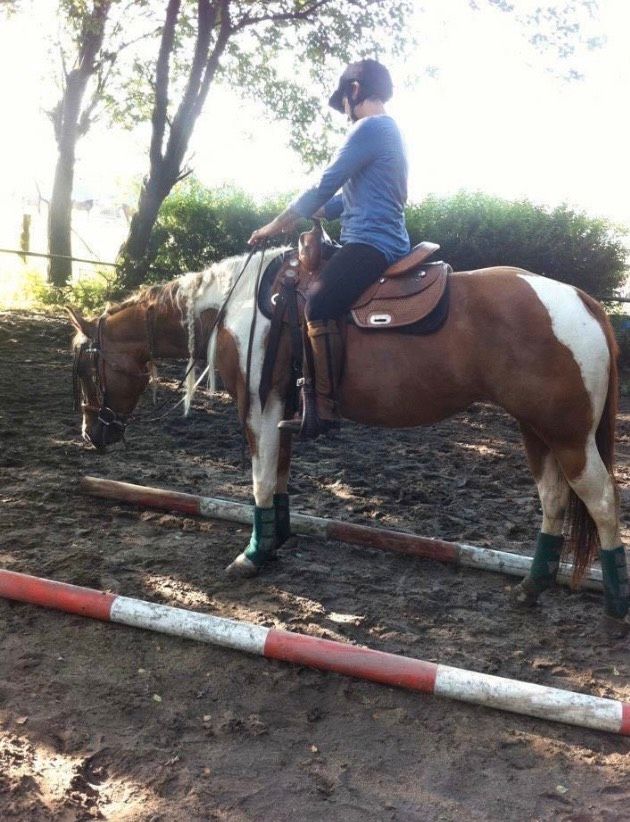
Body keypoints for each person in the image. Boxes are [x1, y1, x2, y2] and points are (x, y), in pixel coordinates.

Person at [249, 59, 410, 438]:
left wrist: (273, 226)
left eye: (343, 105)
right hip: (378, 237)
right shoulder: (389, 132)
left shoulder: (369, 128)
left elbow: (325, 184)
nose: (344, 115)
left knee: (317, 303)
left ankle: (324, 406)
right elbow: (345, 200)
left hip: (373, 244)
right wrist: (323, 209)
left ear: (354, 90)